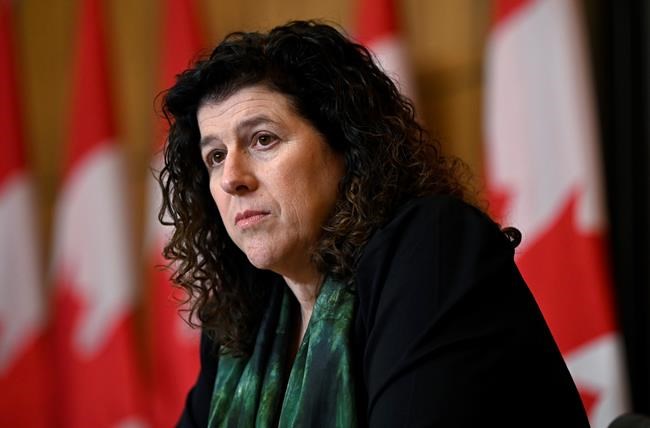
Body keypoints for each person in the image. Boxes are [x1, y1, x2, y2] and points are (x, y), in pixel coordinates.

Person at [158, 20, 590, 427]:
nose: (231, 178)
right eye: (216, 156)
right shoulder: (241, 325)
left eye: (263, 139)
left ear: (346, 146)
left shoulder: (430, 248)